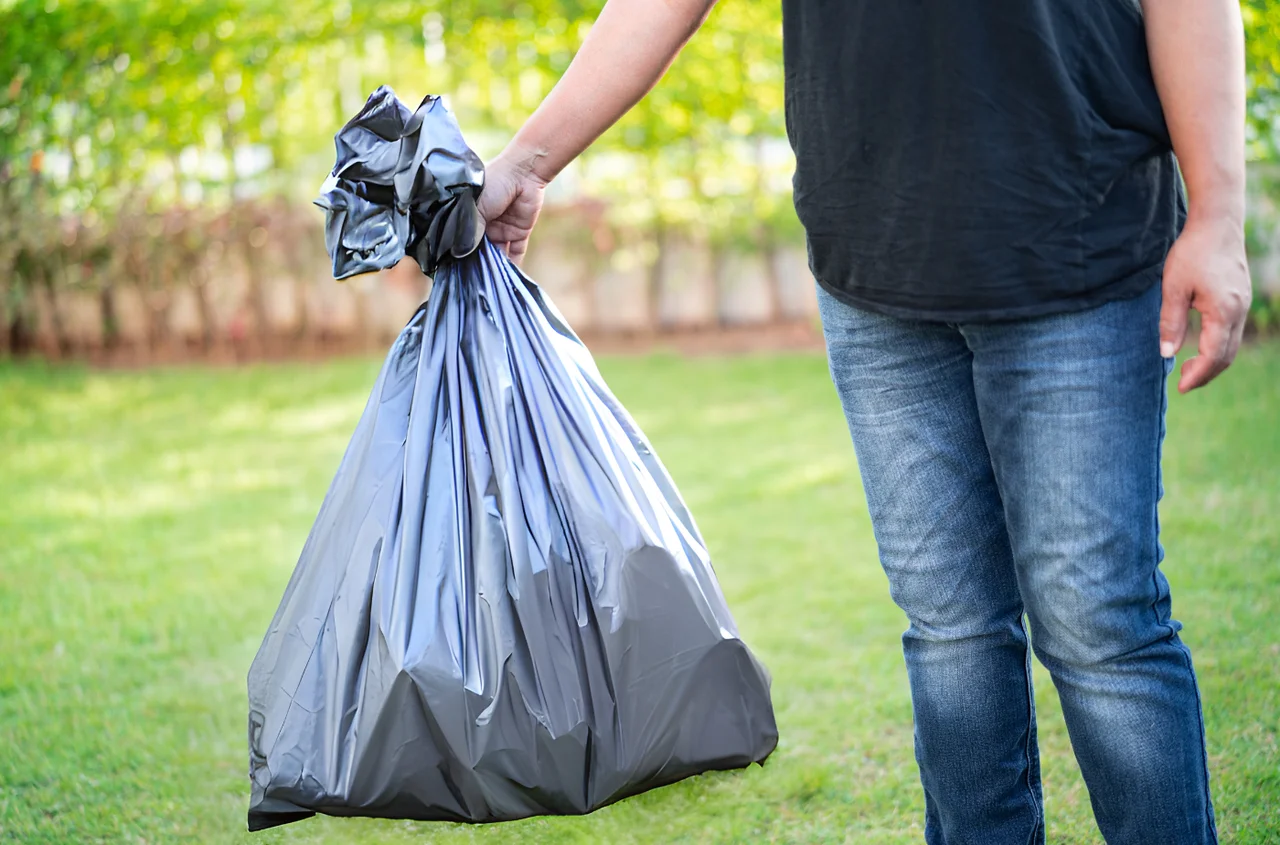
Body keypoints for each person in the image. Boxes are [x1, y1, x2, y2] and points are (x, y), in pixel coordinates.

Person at [475, 0, 1251, 842]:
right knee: (949, 629)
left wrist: (1216, 214)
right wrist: (526, 163)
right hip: (875, 271)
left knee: (1097, 622)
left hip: (1078, 243)